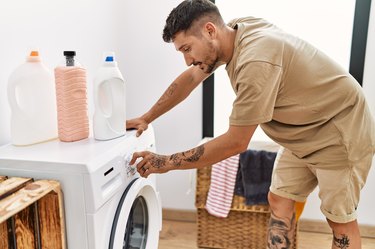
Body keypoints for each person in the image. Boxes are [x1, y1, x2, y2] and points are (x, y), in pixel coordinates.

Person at [127, 0, 375, 248]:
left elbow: (235, 143)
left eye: (187, 49)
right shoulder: (236, 30)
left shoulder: (255, 62)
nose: (187, 59)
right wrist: (147, 117)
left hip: (340, 131)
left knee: (339, 223)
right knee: (279, 199)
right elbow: (191, 77)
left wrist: (165, 162)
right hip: (305, 132)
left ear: (210, 31)